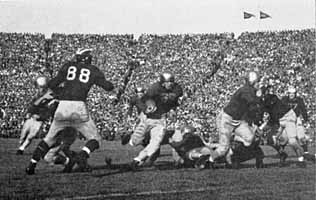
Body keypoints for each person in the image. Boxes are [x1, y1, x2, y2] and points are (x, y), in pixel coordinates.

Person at [25, 48, 115, 175]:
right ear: (86, 58)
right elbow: (108, 86)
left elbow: (52, 84)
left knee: (48, 140)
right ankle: (82, 155)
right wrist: (111, 84)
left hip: (62, 106)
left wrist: (59, 87)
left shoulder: (68, 67)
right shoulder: (92, 70)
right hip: (79, 106)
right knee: (95, 139)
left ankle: (31, 165)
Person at [128, 72, 183, 170]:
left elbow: (176, 98)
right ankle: (130, 138)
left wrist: (172, 109)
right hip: (147, 118)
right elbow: (144, 99)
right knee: (134, 142)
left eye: (171, 82)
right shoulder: (155, 88)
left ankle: (137, 159)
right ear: (162, 82)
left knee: (155, 143)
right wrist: (147, 107)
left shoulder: (177, 88)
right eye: (167, 82)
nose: (169, 84)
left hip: (160, 120)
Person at [208, 71, 262, 166]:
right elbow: (252, 103)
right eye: (258, 81)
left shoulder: (250, 90)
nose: (260, 84)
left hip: (238, 120)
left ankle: (231, 150)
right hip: (227, 119)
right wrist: (259, 96)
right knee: (223, 148)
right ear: (252, 81)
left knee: (250, 137)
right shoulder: (246, 90)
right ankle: (209, 160)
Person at [261, 85, 306, 167]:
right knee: (271, 139)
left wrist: (264, 126)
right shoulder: (264, 101)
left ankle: (301, 160)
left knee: (292, 141)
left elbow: (273, 112)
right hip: (279, 120)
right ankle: (282, 154)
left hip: (288, 117)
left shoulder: (271, 98)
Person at [17, 76, 58, 155]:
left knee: (31, 136)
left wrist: (42, 117)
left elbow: (49, 111)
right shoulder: (38, 96)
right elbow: (33, 105)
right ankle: (21, 145)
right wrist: (29, 113)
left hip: (39, 120)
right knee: (22, 136)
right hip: (32, 118)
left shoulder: (52, 98)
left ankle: (21, 149)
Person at [281, 86, 315, 162]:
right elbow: (280, 109)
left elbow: (303, 110)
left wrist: (306, 119)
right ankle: (281, 152)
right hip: (288, 120)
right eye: (290, 93)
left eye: (293, 93)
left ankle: (306, 152)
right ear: (288, 93)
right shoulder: (284, 100)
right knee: (284, 137)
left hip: (297, 119)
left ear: (295, 93)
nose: (291, 95)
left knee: (301, 136)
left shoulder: (299, 100)